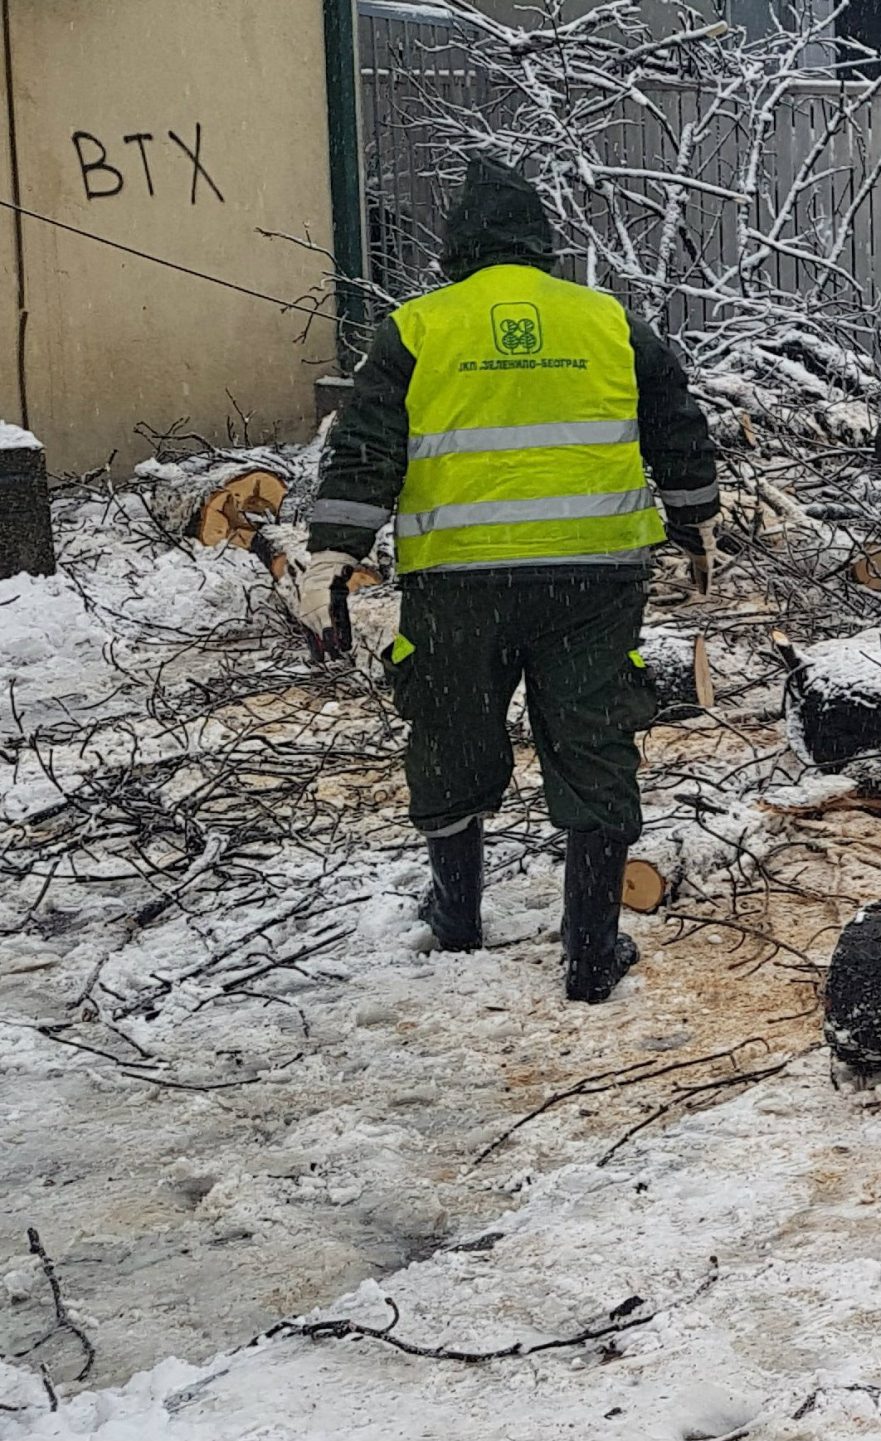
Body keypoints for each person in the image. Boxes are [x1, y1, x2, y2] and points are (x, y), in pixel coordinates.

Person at [296, 159, 719, 1005]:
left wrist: (332, 555)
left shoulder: (419, 327)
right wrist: (695, 517)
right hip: (592, 582)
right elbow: (674, 417)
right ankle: (592, 951)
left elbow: (366, 448)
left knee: (450, 735)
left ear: (459, 247)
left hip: (459, 588)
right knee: (593, 742)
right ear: (541, 244)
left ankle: (456, 919)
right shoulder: (605, 320)